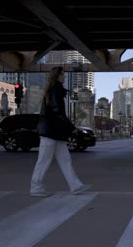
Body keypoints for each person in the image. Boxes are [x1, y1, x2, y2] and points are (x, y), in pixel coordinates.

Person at [30, 66, 91, 197]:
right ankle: (35, 187)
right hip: (50, 133)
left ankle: (75, 186)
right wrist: (71, 128)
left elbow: (57, 113)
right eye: (62, 74)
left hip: (56, 133)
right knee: (44, 160)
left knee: (65, 160)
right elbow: (57, 112)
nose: (65, 76)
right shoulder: (55, 90)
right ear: (56, 76)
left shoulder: (55, 90)